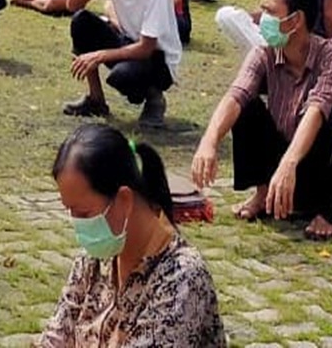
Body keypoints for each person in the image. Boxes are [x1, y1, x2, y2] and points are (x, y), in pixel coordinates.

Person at [192, 0, 332, 241]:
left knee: (325, 116)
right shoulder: (263, 53)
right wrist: (209, 140)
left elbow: (317, 108)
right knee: (247, 107)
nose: (262, 17)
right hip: (281, 154)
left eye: (269, 11)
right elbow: (236, 94)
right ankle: (264, 191)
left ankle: (328, 209)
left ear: (295, 20)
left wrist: (289, 163)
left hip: (323, 166)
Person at [40, 124, 225, 348]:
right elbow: (57, 334)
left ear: (124, 200)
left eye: (83, 213)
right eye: (69, 211)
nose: (77, 224)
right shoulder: (94, 259)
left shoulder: (181, 278)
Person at [63, 0, 182, 127]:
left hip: (157, 57)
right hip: (128, 41)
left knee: (123, 76)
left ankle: (154, 98)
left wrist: (100, 55)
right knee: (81, 22)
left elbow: (147, 47)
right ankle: (96, 100)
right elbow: (73, 3)